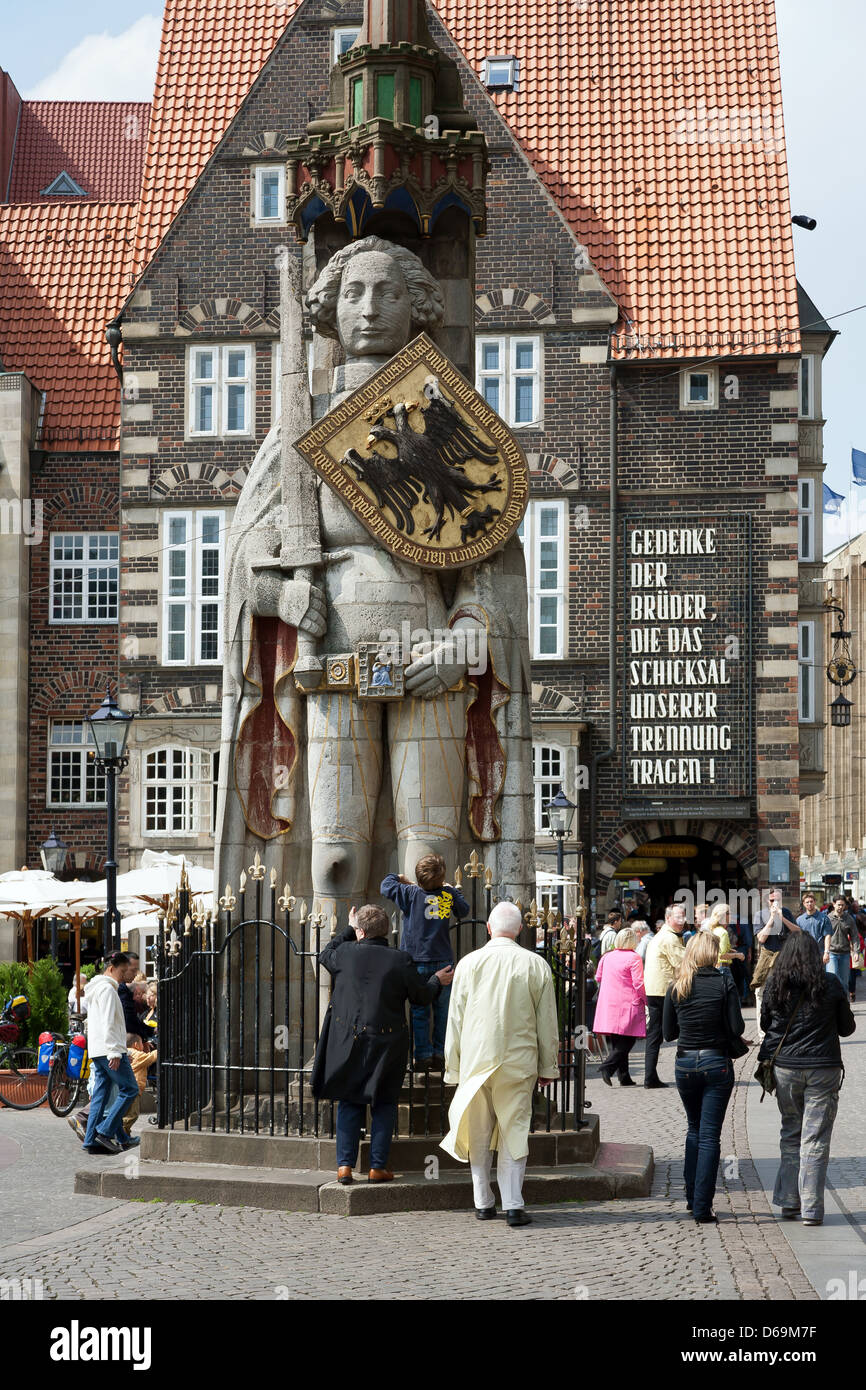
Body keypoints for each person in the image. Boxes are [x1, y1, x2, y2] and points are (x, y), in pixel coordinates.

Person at [310, 904, 452, 1185]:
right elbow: (421, 997)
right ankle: (377, 1167)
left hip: (348, 1038)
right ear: (386, 930)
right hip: (387, 1042)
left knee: (349, 1100)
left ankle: (345, 1167)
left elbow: (324, 954)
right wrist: (436, 980)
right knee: (383, 1102)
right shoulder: (400, 960)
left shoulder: (345, 953)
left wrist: (348, 929)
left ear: (361, 931)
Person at [441, 901, 559, 1226]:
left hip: (476, 1060)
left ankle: (483, 1201)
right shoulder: (536, 965)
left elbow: (456, 1019)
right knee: (514, 1130)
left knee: (478, 1131)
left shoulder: (468, 963)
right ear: (520, 929)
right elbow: (547, 1022)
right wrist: (548, 1066)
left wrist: (453, 1067)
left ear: (489, 928)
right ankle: (514, 1204)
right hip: (518, 1062)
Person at [759, 932, 855, 1225]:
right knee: (815, 1138)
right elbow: (847, 1028)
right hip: (822, 1068)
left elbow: (765, 1023)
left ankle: (790, 1201)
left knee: (791, 1132)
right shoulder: (830, 983)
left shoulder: (776, 983)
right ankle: (811, 1209)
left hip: (786, 1067)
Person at [663, 932, 745, 1223]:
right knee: (710, 1135)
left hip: (685, 1063)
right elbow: (736, 1027)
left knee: (693, 1130)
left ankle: (690, 1197)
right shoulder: (724, 981)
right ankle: (702, 1206)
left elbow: (668, 1033)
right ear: (714, 954)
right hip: (716, 1062)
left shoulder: (677, 984)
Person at [380, 853, 469, 1072]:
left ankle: (422, 1055)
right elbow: (463, 910)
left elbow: (385, 886)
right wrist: (451, 890)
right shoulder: (447, 895)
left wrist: (400, 876)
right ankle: (440, 1053)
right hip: (443, 961)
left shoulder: (410, 893)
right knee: (443, 1011)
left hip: (416, 961)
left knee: (419, 1011)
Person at [81, 953, 140, 1155]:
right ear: (112, 968)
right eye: (123, 971)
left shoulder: (97, 988)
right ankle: (104, 1133)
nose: (124, 976)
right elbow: (108, 1022)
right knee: (130, 1089)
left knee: (101, 1094)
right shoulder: (107, 989)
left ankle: (93, 1140)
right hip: (109, 1049)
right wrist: (115, 1051)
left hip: (99, 1049)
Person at [593, 928, 646, 1086]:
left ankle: (624, 1076)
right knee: (628, 1040)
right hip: (628, 1002)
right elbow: (638, 983)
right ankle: (607, 1067)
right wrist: (646, 999)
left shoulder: (607, 956)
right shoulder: (634, 957)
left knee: (618, 1040)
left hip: (609, 1002)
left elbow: (598, 977)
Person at [642, 904, 687, 1088]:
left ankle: (650, 1076)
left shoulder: (664, 935)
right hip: (663, 991)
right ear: (668, 918)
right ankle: (687, 1070)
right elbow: (683, 961)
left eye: (684, 916)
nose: (682, 920)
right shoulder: (669, 938)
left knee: (655, 1034)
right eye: (678, 917)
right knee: (681, 1028)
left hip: (655, 989)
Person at [752, 891, 800, 1041]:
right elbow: (761, 938)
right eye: (772, 899)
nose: (775, 902)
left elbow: (797, 932)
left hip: (784, 960)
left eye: (778, 899)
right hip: (767, 961)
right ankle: (763, 1035)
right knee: (761, 995)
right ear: (767, 901)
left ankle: (783, 1031)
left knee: (785, 994)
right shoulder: (760, 914)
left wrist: (782, 918)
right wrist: (772, 918)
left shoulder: (786, 912)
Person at [822, 895, 859, 995]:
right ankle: (833, 1008)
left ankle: (844, 1007)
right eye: (838, 905)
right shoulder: (827, 918)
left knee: (844, 983)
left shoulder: (849, 919)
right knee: (832, 981)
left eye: (842, 905)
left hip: (845, 954)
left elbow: (855, 936)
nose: (840, 907)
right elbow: (823, 936)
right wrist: (824, 952)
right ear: (833, 904)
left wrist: (856, 952)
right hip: (831, 953)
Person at [705, 903, 745, 982]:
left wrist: (730, 950)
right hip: (722, 968)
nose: (731, 915)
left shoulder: (715, 930)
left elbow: (717, 950)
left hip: (714, 967)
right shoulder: (723, 932)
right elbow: (721, 955)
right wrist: (738, 955)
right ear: (724, 915)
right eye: (729, 913)